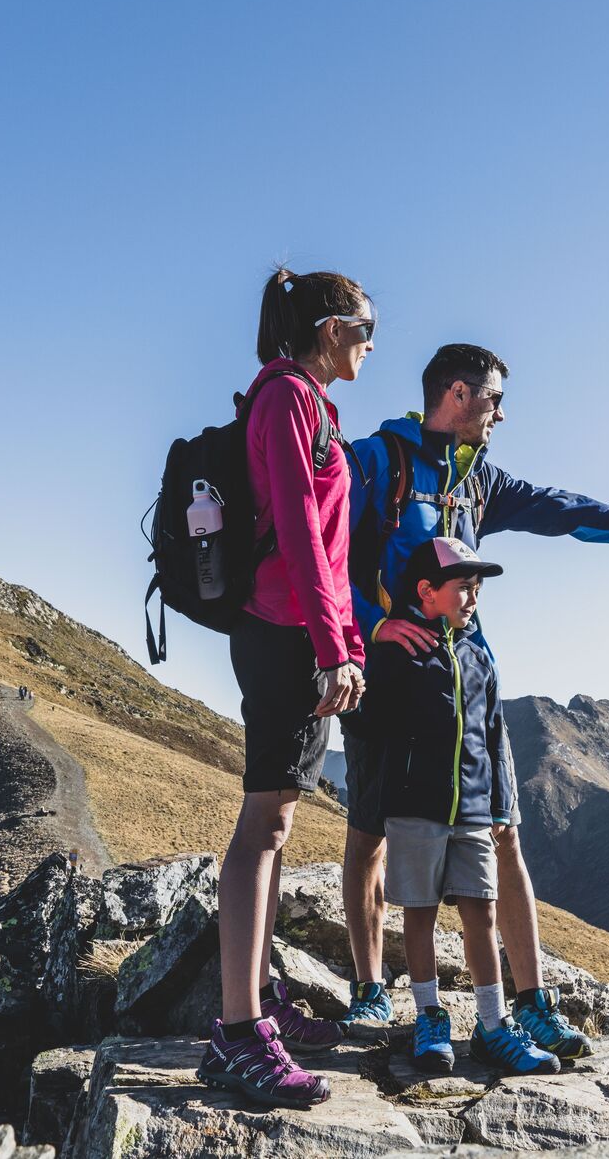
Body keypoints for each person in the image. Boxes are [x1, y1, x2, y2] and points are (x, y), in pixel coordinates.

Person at [338, 343, 609, 1055]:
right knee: (370, 832)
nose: (501, 414)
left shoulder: (482, 479)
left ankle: (531, 1001)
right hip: (387, 679)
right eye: (493, 399)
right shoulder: (377, 461)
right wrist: (375, 623)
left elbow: (563, 510)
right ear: (457, 392)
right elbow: (326, 555)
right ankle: (368, 990)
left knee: (503, 830)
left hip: (470, 678)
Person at [196, 266, 377, 1109]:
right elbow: (303, 529)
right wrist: (335, 642)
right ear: (331, 326)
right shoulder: (286, 399)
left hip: (300, 633)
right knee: (262, 824)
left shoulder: (309, 400)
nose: (374, 341)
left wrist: (343, 641)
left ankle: (257, 1004)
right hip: (282, 633)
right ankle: (238, 1033)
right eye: (367, 324)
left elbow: (328, 542)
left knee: (278, 820)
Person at [361, 536, 560, 1077]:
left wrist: (497, 801)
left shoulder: (479, 657)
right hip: (414, 808)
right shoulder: (399, 651)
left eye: (477, 590)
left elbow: (492, 734)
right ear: (426, 592)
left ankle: (494, 1025)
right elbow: (371, 720)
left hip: (473, 810)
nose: (473, 599)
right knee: (420, 914)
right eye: (464, 588)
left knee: (482, 912)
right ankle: (429, 1015)